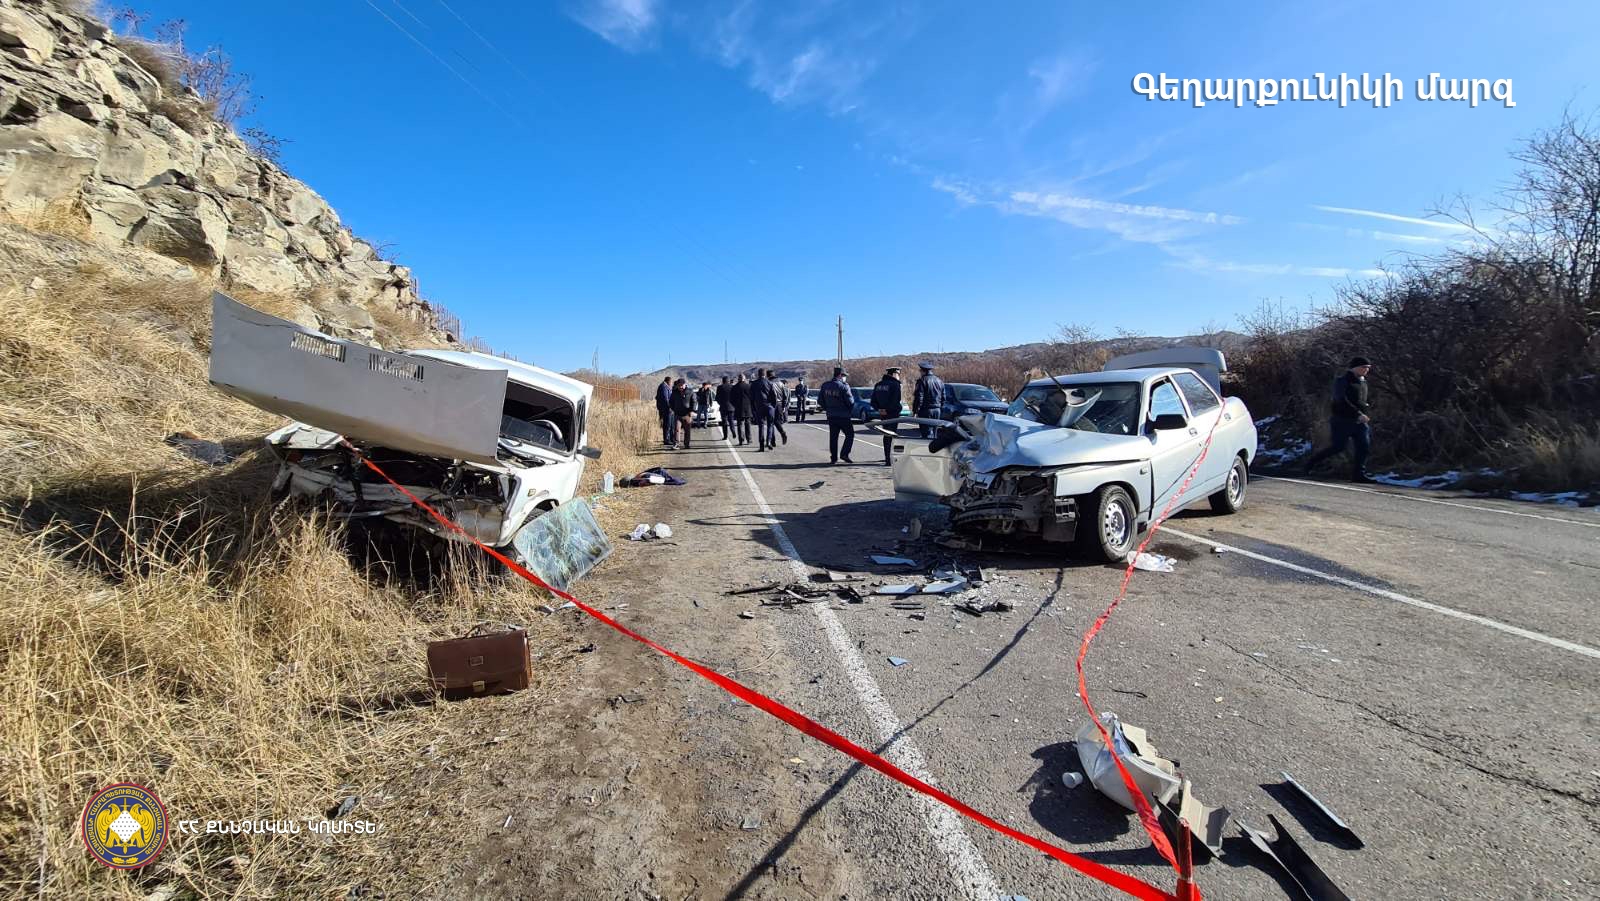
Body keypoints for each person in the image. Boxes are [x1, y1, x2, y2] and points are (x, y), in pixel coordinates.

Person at [1304, 356, 1375, 483]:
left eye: (1368, 368)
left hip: (1360, 421)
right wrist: (1358, 413)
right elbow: (1340, 400)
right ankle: (1311, 462)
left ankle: (1358, 474)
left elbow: (1361, 400)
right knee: (1338, 446)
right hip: (1342, 419)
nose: (1366, 370)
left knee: (1363, 447)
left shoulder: (1363, 381)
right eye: (1363, 367)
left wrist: (1365, 410)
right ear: (1354, 367)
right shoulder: (1343, 381)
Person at [818, 367, 855, 464]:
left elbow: (820, 401)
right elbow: (850, 402)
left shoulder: (825, 385)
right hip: (843, 415)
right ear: (840, 376)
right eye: (844, 376)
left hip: (831, 415)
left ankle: (833, 458)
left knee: (833, 437)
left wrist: (828, 409)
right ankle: (844, 454)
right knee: (850, 434)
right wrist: (849, 411)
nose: (845, 378)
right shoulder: (844, 386)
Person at [871, 367, 903, 465]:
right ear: (894, 374)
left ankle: (887, 458)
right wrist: (888, 410)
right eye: (898, 374)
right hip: (892, 414)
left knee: (886, 435)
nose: (898, 376)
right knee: (892, 436)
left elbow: (873, 401)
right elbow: (895, 401)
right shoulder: (895, 385)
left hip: (883, 414)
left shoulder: (878, 385)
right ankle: (891, 459)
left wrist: (880, 409)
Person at [912, 362, 944, 438]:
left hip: (926, 410)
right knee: (934, 433)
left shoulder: (922, 381)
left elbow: (919, 397)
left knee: (926, 433)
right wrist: (940, 407)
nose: (920, 372)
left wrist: (915, 411)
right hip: (937, 410)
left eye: (920, 371)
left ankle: (927, 445)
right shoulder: (939, 381)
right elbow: (943, 397)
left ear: (923, 371)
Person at [749, 369, 778, 451]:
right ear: (765, 374)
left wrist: (753, 408)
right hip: (769, 406)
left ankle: (761, 446)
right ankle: (768, 441)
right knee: (770, 425)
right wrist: (773, 406)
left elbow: (751, 397)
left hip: (759, 407)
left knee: (761, 426)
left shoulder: (754, 384)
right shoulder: (770, 383)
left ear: (758, 374)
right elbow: (774, 396)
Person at [669, 378, 696, 449]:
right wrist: (674, 409)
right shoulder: (674, 392)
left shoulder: (690, 391)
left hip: (687, 414)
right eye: (679, 385)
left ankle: (687, 444)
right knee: (677, 430)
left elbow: (694, 401)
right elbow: (671, 402)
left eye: (682, 385)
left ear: (685, 384)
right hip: (677, 414)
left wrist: (692, 410)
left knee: (687, 430)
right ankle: (676, 444)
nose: (680, 387)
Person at [729, 374, 752, 445]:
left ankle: (741, 440)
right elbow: (752, 397)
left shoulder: (734, 387)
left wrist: (735, 405)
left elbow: (731, 399)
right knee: (748, 424)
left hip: (738, 408)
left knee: (740, 424)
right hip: (747, 407)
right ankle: (749, 439)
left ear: (738, 379)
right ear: (744, 379)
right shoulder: (748, 386)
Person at [655, 376, 675, 447]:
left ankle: (671, 439)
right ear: (668, 381)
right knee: (667, 425)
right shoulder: (663, 387)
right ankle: (666, 440)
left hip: (669, 409)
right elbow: (665, 398)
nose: (672, 383)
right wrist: (670, 407)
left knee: (671, 424)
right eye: (671, 382)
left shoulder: (666, 386)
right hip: (666, 409)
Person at [772, 376, 790, 445]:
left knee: (770, 422)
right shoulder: (781, 384)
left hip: (771, 404)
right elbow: (785, 396)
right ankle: (782, 432)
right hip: (779, 404)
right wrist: (784, 406)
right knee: (776, 421)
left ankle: (772, 441)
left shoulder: (769, 383)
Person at [715, 376, 734, 442]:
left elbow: (717, 398)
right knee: (731, 421)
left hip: (723, 407)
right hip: (731, 407)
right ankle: (733, 431)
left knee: (724, 422)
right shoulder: (732, 387)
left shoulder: (719, 387)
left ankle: (725, 436)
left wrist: (721, 403)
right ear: (728, 381)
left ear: (723, 381)